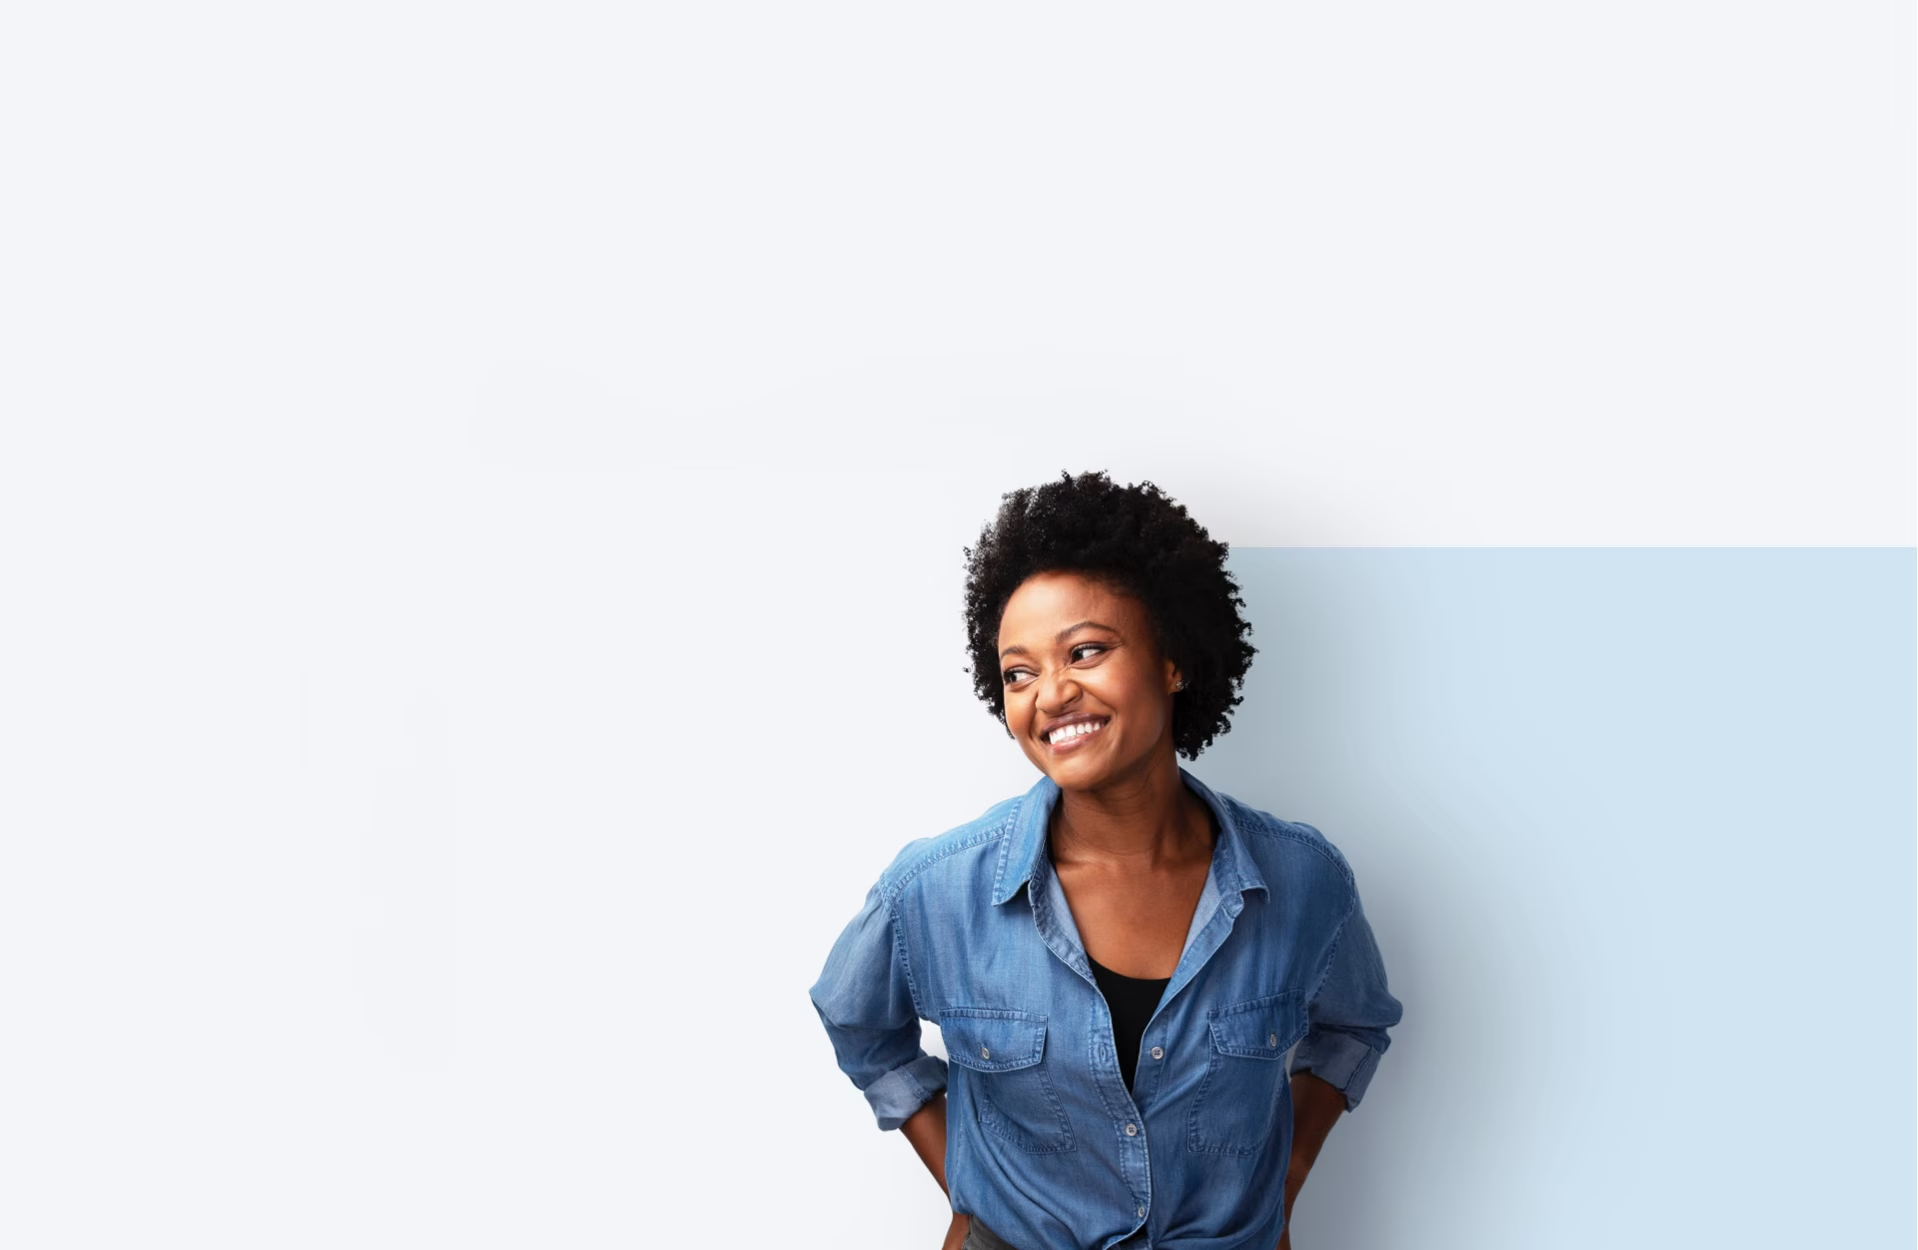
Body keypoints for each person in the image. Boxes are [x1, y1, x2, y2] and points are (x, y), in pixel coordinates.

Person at [809, 471, 1402, 1250]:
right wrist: (968, 1178)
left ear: (1172, 660)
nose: (1049, 694)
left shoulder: (1302, 880)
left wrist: (1287, 1172)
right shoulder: (935, 891)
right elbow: (859, 1026)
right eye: (1018, 672)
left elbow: (1355, 1026)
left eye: (1085, 651)